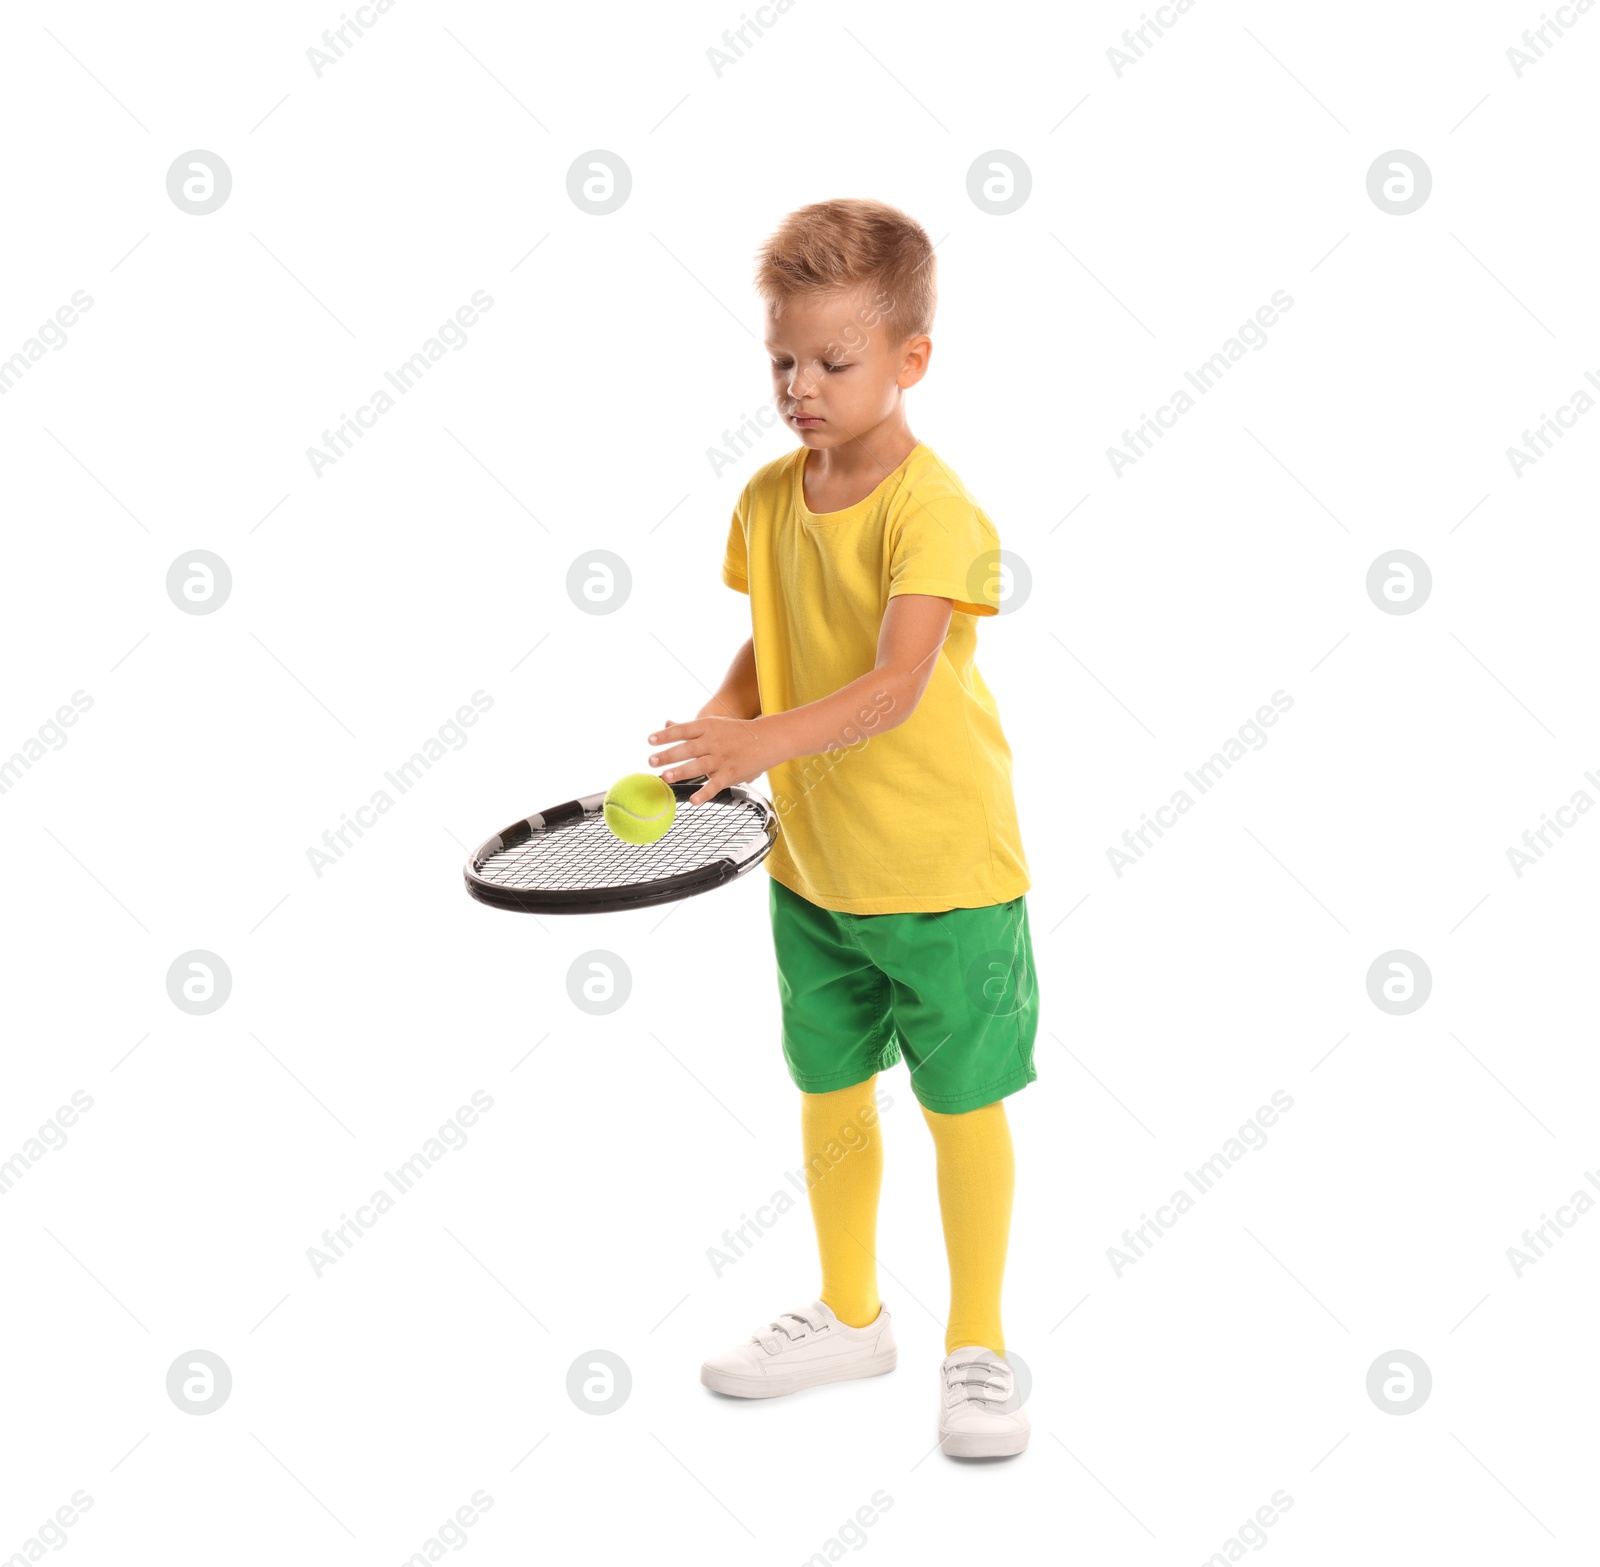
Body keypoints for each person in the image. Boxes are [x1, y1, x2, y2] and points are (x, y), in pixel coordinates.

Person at [645, 197, 1038, 1459]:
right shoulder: (768, 496)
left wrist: (757, 747)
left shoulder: (935, 508)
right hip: (812, 871)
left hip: (944, 873)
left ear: (910, 359)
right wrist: (714, 733)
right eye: (781, 361)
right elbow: (774, 640)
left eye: (832, 361)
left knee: (960, 1104)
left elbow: (892, 684)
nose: (800, 387)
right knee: (830, 1093)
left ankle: (975, 1345)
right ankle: (852, 1314)